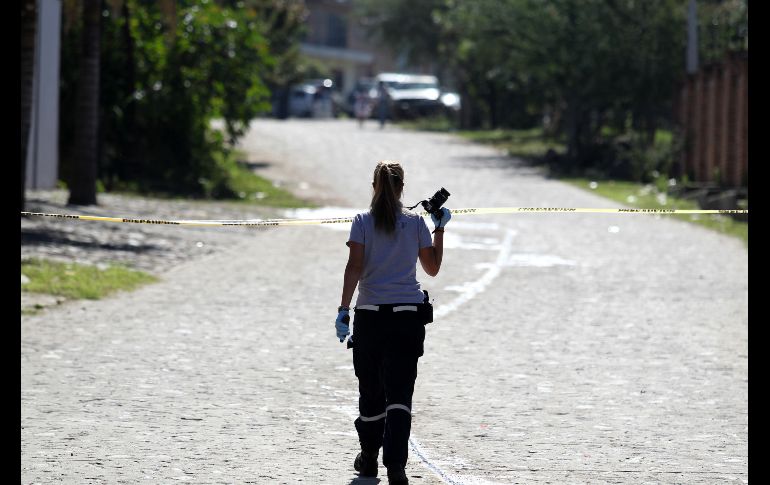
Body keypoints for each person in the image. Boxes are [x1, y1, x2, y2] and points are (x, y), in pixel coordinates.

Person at [335, 161, 451, 484]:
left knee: (371, 391)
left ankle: (369, 457)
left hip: (370, 317)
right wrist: (439, 228)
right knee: (400, 394)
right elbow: (432, 268)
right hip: (406, 318)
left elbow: (353, 269)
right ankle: (396, 467)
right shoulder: (415, 224)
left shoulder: (361, 222)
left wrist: (344, 309)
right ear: (403, 189)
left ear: (374, 187)